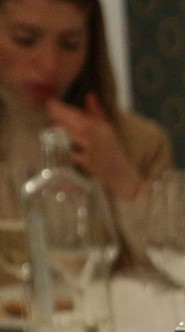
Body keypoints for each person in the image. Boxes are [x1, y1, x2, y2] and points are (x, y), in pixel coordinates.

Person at [0, 0, 172, 257]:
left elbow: (182, 263)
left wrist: (121, 179)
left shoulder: (140, 141)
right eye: (25, 39)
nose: (50, 64)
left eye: (70, 44)